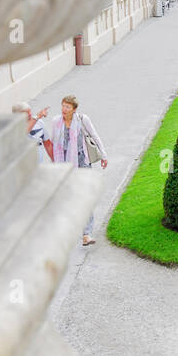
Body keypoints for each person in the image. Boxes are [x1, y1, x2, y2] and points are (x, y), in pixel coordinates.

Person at [48, 95, 108, 245]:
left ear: (74, 109)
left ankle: (86, 234)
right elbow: (54, 145)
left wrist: (103, 156)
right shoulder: (56, 122)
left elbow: (95, 135)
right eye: (63, 106)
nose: (64, 109)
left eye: (67, 107)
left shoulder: (82, 119)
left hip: (82, 162)